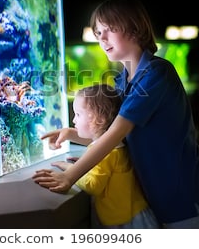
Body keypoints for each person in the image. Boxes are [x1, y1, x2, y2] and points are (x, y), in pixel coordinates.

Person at [33, 0, 199, 228]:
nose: (101, 38)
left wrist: (70, 176)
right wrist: (70, 134)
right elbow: (116, 136)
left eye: (109, 29)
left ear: (134, 28)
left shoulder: (156, 73)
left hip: (188, 196)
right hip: (156, 197)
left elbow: (116, 133)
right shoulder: (121, 82)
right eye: (98, 32)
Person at [53, 83, 159, 228]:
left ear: (99, 120)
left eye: (78, 114)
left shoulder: (106, 152)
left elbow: (93, 186)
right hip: (132, 213)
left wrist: (69, 168)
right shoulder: (114, 145)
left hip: (127, 222)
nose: (74, 120)